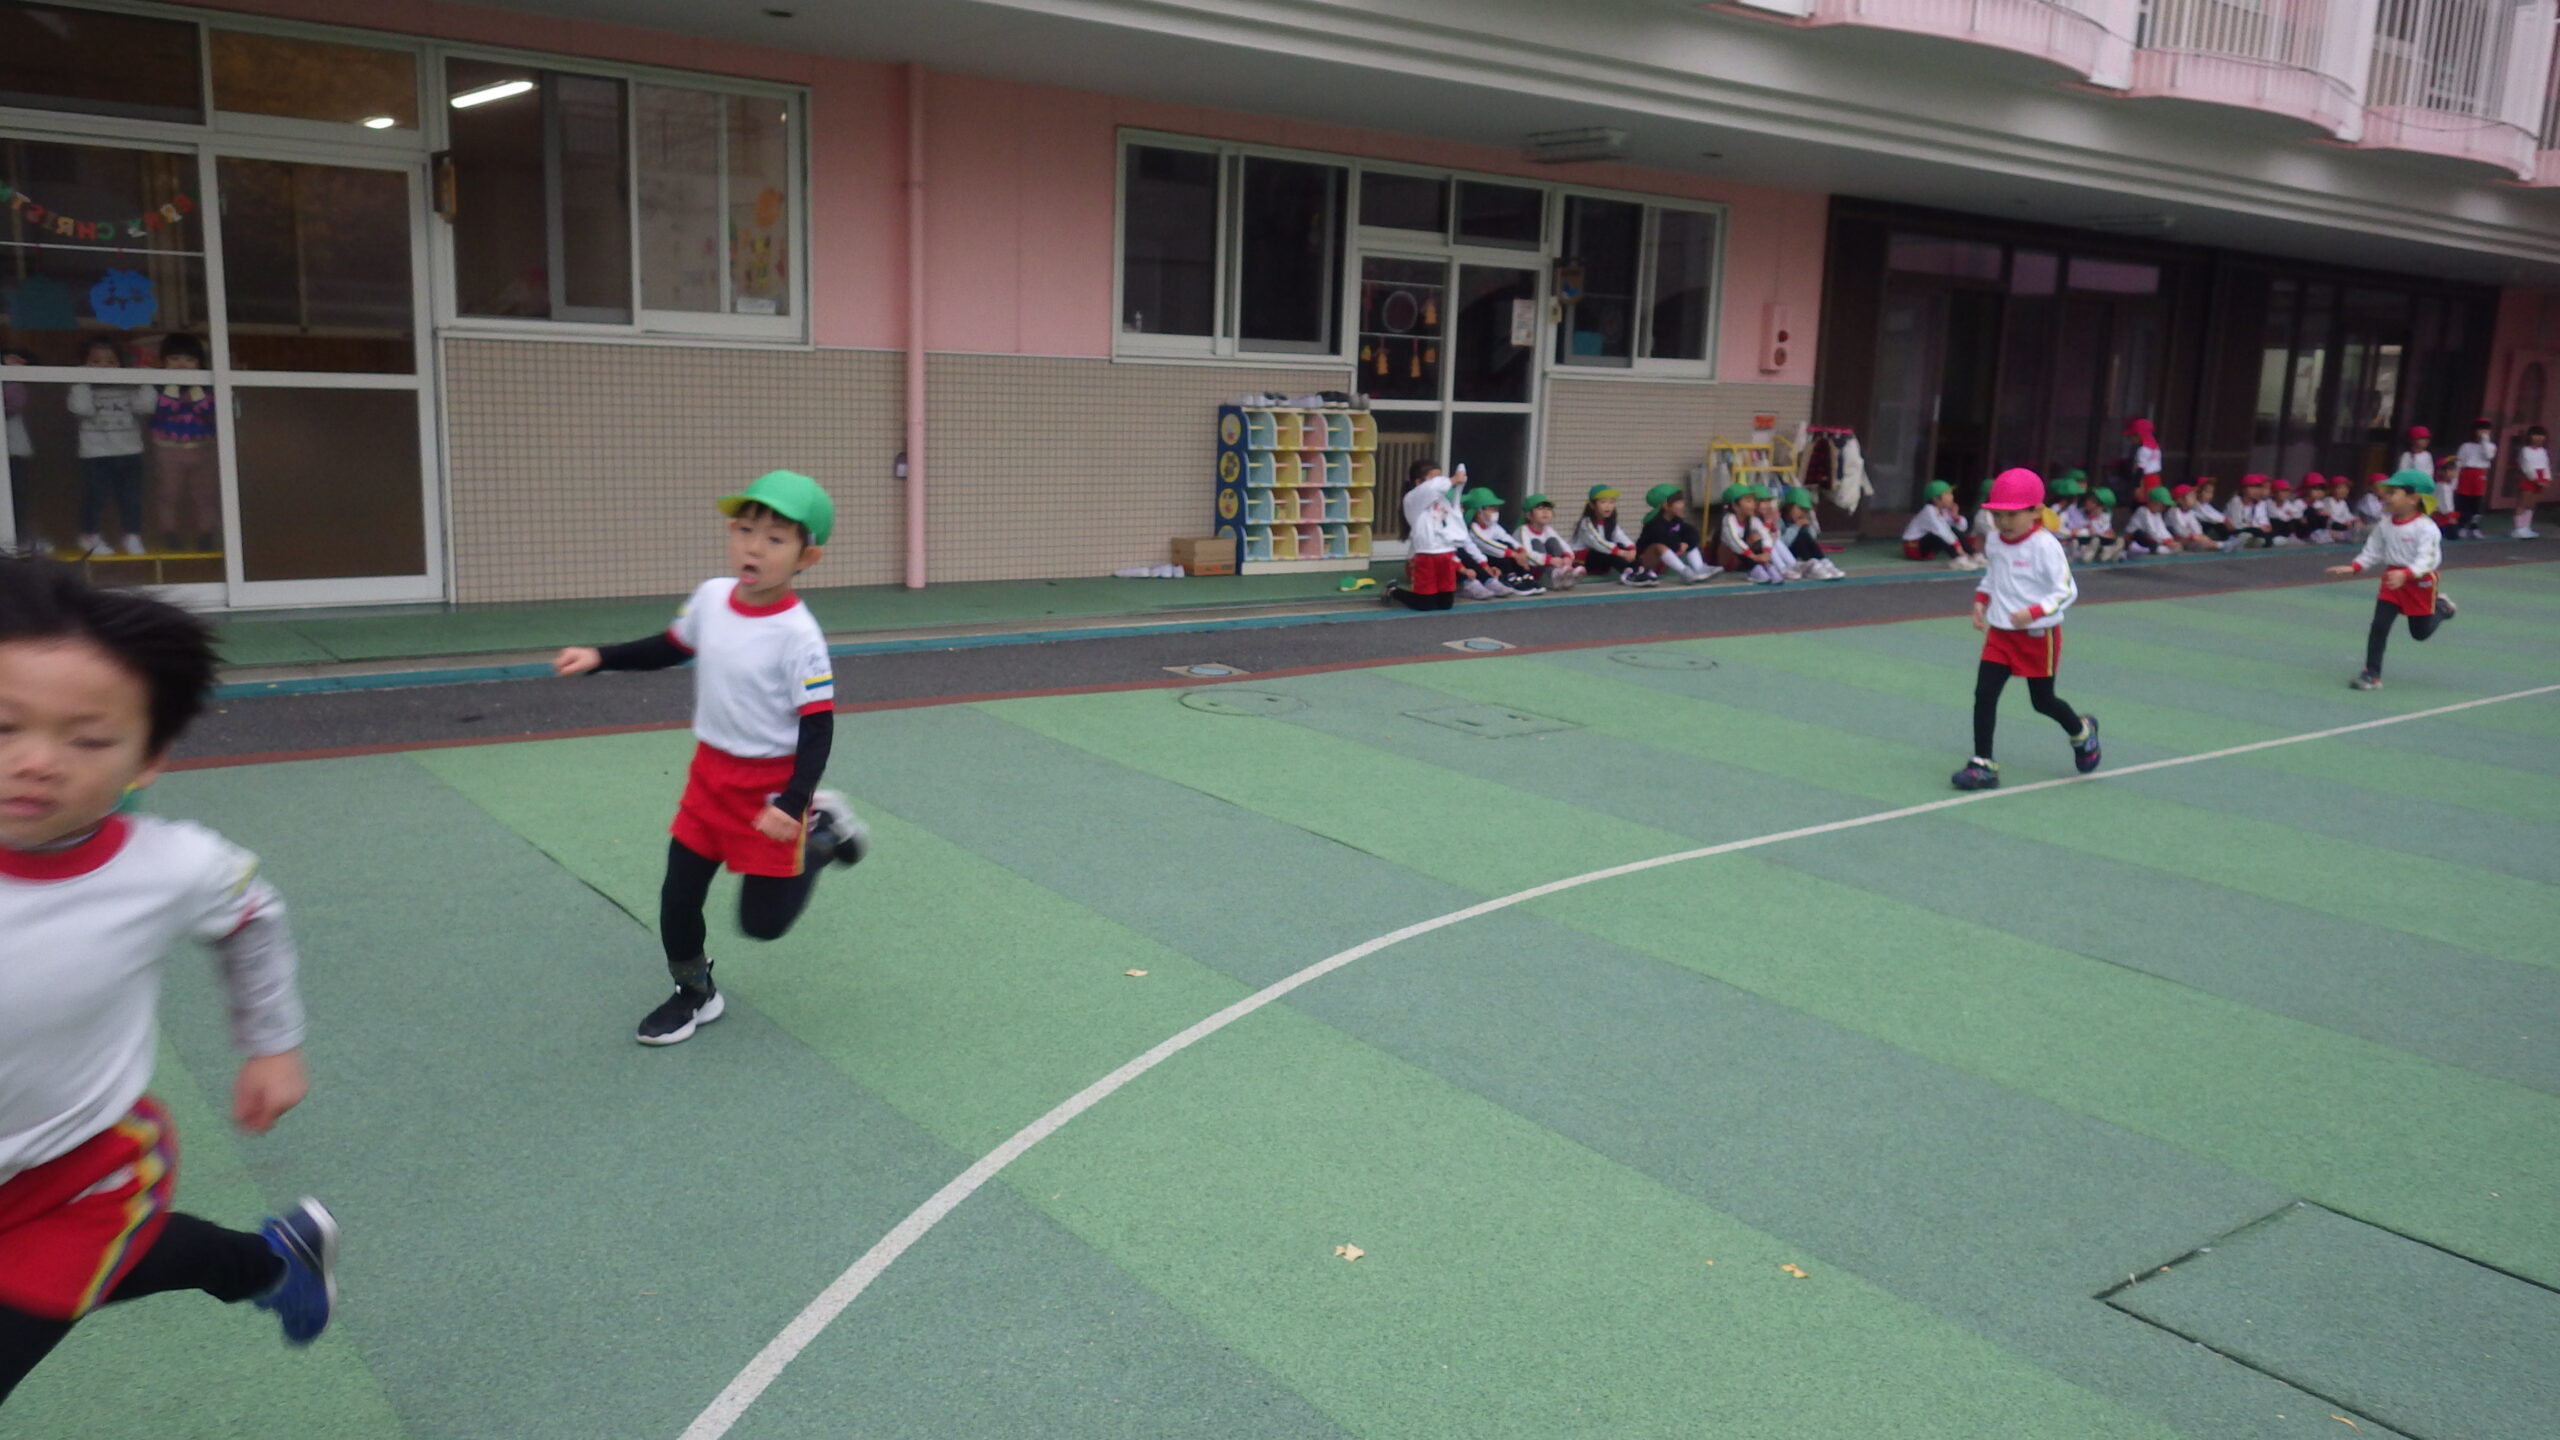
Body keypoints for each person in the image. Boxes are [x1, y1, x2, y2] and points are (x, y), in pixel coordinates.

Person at [0, 558, 339, 1404]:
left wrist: (272, 1045)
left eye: (87, 740)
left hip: (82, 1171)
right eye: (3, 726)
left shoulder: (167, 868)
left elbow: (251, 914)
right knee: (118, 1260)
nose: (37, 761)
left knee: (66, 1266)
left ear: (146, 759)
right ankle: (272, 1261)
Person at [552, 470, 867, 1045]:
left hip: (771, 791)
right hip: (710, 778)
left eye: (775, 539)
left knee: (763, 925)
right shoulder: (711, 598)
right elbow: (671, 647)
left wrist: (794, 803)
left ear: (807, 558)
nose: (754, 547)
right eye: (744, 530)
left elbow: (818, 727)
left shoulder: (799, 636)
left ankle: (819, 833)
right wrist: (601, 656)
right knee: (678, 894)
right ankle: (694, 992)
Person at [1952, 468, 2101, 791]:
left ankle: (2082, 733)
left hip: (2038, 637)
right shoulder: (1995, 541)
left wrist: (2033, 612)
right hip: (2000, 634)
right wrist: (1981, 599)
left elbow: (2066, 591)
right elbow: (1994, 576)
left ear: (2036, 511)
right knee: (1984, 695)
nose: (2003, 522)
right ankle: (1983, 764)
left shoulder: (2045, 546)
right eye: (1998, 515)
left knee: (2042, 701)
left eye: (2011, 515)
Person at [2326, 469, 2457, 691]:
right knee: (2379, 626)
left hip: (2420, 582)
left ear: (2413, 498)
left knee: (2420, 633)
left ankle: (2442, 608)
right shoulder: (2385, 524)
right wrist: (2355, 567)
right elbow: (2373, 550)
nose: (2385, 496)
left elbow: (2428, 560)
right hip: (2392, 581)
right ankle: (2372, 674)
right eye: (2386, 492)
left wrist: (2407, 574)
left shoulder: (2426, 528)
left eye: (2392, 492)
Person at [64, 339, 151, 558]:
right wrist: (82, 378)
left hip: (129, 451)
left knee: (131, 498)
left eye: (111, 361)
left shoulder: (127, 386)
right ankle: (89, 536)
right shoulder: (82, 388)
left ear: (120, 364)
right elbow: (81, 408)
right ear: (84, 363)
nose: (103, 365)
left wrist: (145, 380)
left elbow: (146, 406)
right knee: (95, 496)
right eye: (95, 361)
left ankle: (132, 535)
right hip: (96, 453)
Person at [146, 336, 219, 556]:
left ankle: (206, 533)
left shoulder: (208, 387)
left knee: (205, 494)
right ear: (163, 362)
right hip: (167, 449)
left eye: (189, 360)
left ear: (200, 363)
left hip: (203, 449)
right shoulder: (157, 387)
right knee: (168, 493)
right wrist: (172, 385)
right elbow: (164, 409)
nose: (181, 364)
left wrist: (196, 387)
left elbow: (207, 411)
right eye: (174, 358)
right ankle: (168, 532)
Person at [1386, 460, 1466, 610]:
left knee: (1446, 604)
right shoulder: (1412, 499)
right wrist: (1454, 479)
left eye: (1441, 477)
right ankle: (1393, 591)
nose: (1440, 481)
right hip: (1426, 554)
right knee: (1425, 604)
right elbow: (1431, 488)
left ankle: (1434, 596)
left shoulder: (1442, 500)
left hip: (1446, 552)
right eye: (1434, 478)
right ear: (1418, 482)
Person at [1465, 488, 1545, 595]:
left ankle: (1525, 576)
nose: (1496, 512)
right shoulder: (1474, 529)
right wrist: (1513, 554)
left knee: (1508, 545)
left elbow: (1506, 537)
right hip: (1486, 560)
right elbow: (1488, 544)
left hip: (1498, 554)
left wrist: (1520, 550)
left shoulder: (1493, 526)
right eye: (1492, 509)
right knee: (1505, 552)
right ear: (1479, 512)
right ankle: (1510, 579)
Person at [1637, 483, 1711, 583]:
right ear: (1665, 505)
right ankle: (1684, 571)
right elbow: (1663, 539)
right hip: (1647, 562)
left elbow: (1691, 532)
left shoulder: (1676, 520)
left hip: (1667, 559)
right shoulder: (1653, 524)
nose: (1683, 505)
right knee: (1659, 546)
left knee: (1690, 540)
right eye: (1678, 502)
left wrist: (1686, 543)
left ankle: (1700, 568)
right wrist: (1678, 545)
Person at [1573, 485, 1646, 584]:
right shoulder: (1586, 523)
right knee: (1611, 550)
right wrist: (1622, 553)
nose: (1608, 506)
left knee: (1620, 546)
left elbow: (1621, 536)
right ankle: (1629, 573)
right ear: (1592, 505)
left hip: (1602, 560)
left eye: (1611, 502)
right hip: (1583, 562)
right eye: (1603, 502)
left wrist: (1632, 550)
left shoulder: (1610, 522)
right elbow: (1598, 543)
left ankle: (1639, 570)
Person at [1715, 485, 1785, 584]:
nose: (1753, 504)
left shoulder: (1752, 520)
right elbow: (1734, 542)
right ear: (1735, 506)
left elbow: (1765, 536)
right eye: (1748, 501)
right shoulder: (1729, 519)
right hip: (1730, 559)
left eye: (1753, 501)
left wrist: (1766, 553)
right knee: (1747, 542)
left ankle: (1767, 567)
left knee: (1758, 540)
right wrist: (1754, 557)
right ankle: (1755, 569)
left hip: (1747, 557)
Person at [1901, 479, 1974, 568]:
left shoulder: (1943, 511)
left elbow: (1962, 528)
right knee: (1943, 534)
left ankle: (1973, 555)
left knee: (1951, 531)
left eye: (1951, 494)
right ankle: (1958, 558)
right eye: (1947, 494)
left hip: (1927, 550)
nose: (1952, 497)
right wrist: (1957, 547)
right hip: (1913, 548)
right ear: (1935, 499)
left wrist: (1955, 516)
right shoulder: (1928, 510)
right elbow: (1941, 530)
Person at [3, 350, 35, 553]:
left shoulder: (12, 382)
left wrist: (10, 371)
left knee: (18, 497)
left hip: (13, 450)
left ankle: (20, 537)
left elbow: (14, 403)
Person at [1775, 486, 1845, 580]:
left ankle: (1822, 561)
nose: (1802, 513)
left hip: (1799, 555)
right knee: (1801, 537)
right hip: (1785, 556)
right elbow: (1780, 543)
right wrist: (1796, 527)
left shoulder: (1800, 520)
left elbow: (1812, 538)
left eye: (1805, 510)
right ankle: (1812, 566)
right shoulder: (1779, 520)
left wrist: (1807, 527)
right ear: (1789, 506)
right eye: (1800, 509)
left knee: (1804, 535)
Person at [1515, 494, 1582, 590]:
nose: (1545, 512)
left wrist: (1567, 557)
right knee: (1536, 543)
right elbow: (1527, 554)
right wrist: (1550, 560)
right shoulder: (1523, 530)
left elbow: (1564, 545)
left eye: (1548, 509)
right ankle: (1554, 574)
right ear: (1528, 515)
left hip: (1547, 565)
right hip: (1530, 571)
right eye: (1540, 509)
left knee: (1552, 541)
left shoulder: (1548, 529)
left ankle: (1565, 574)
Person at [2449, 418, 2495, 540]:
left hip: (2479, 475)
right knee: (2463, 501)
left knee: (2477, 501)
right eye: (2480, 429)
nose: (2483, 432)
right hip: (2466, 474)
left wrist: (2485, 440)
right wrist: (2454, 481)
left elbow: (2488, 455)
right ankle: (2462, 526)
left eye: (2486, 430)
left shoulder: (2490, 446)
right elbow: (2459, 463)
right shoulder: (2465, 446)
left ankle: (2474, 527)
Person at [2513, 426, 2548, 540]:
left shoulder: (2543, 451)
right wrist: (2536, 479)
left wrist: (2546, 478)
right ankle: (2518, 528)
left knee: (2531, 504)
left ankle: (2526, 527)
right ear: (2530, 436)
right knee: (2523, 503)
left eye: (2541, 435)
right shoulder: (2525, 450)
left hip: (2540, 478)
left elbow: (2546, 465)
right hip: (2528, 478)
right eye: (2535, 435)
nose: (2539, 438)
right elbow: (2527, 466)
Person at [2221, 474, 2273, 549]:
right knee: (2246, 535)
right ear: (2243, 489)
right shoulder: (2236, 501)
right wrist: (2257, 527)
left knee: (2263, 539)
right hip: (2232, 533)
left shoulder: (2254, 503)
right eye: (2252, 487)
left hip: (2248, 531)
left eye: (2258, 487)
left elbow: (2263, 524)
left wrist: (2262, 527)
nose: (2256, 491)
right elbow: (2236, 525)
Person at [2124, 487, 2177, 557]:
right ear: (2152, 502)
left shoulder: (2157, 513)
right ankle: (2144, 548)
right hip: (2135, 538)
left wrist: (2170, 539)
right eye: (2161, 505)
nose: (2163, 508)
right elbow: (2150, 530)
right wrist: (2164, 542)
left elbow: (2161, 528)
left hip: (2152, 538)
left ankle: (2158, 548)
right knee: (2141, 534)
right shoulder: (2143, 511)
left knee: (2169, 530)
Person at [2124, 416, 2163, 491]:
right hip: (2156, 477)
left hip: (2145, 479)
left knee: (2144, 497)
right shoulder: (2156, 447)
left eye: (2131, 436)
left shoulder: (2143, 450)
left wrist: (2136, 485)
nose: (2129, 439)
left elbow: (2140, 469)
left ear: (2138, 435)